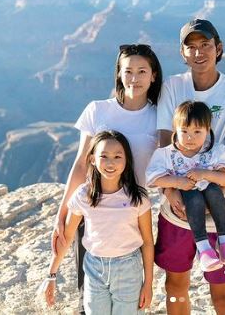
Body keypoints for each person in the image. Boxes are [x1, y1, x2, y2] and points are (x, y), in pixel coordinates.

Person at [155, 19, 225, 314]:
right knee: (175, 287)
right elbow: (164, 142)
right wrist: (169, 191)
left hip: (220, 210)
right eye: (191, 47)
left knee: (223, 294)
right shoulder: (172, 88)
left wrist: (212, 193)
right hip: (176, 209)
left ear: (219, 49)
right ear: (182, 52)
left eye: (205, 45)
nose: (198, 52)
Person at [51, 44, 162, 313]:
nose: (134, 78)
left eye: (142, 71)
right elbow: (80, 163)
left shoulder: (159, 116)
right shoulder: (98, 110)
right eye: (128, 71)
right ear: (119, 74)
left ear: (154, 76)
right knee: (88, 293)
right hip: (93, 206)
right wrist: (62, 211)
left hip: (132, 212)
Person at [43, 130, 154, 314]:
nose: (111, 163)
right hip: (94, 268)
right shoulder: (83, 195)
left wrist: (148, 284)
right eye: (104, 156)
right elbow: (67, 236)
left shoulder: (138, 198)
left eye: (118, 156)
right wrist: (51, 275)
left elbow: (148, 242)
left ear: (126, 161)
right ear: (93, 159)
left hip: (129, 270)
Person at [146, 100, 225, 272]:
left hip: (212, 197)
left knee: (213, 190)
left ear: (207, 130)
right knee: (193, 197)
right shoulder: (167, 154)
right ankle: (204, 249)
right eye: (184, 131)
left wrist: (204, 173)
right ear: (175, 130)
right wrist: (176, 182)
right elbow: (153, 179)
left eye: (197, 131)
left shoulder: (215, 152)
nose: (190, 137)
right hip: (186, 198)